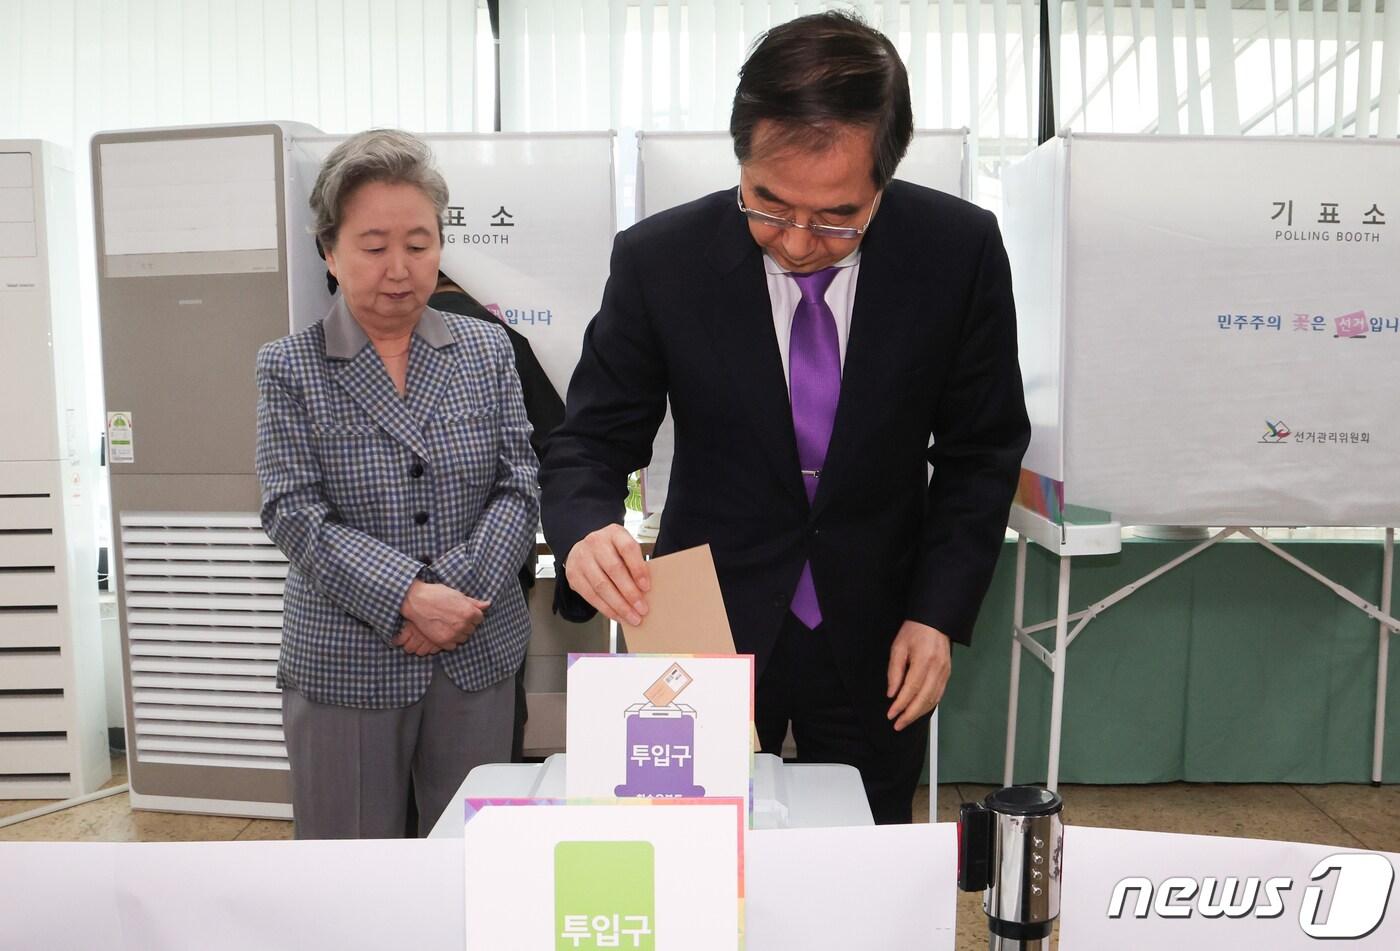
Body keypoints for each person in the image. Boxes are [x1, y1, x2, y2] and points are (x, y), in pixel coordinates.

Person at [540, 12, 1030, 824]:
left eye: (839, 216)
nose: (799, 241)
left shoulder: (957, 252)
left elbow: (980, 451)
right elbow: (589, 438)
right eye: (767, 204)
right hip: (706, 624)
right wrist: (586, 524)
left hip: (882, 626)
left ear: (885, 177)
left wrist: (937, 611)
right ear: (740, 155)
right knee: (694, 851)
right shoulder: (662, 261)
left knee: (867, 853)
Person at [256, 129, 539, 838]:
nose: (399, 268)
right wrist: (410, 597)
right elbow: (293, 511)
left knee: (473, 858)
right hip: (348, 659)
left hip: (475, 648)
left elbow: (521, 480)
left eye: (418, 244)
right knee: (348, 867)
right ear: (330, 250)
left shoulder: (485, 346)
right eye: (374, 246)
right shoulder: (290, 366)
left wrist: (455, 595)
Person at [429, 272, 565, 761]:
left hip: (471, 597)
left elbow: (523, 471)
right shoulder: (505, 337)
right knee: (483, 772)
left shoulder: (493, 344)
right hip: (493, 585)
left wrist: (417, 595)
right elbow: (551, 451)